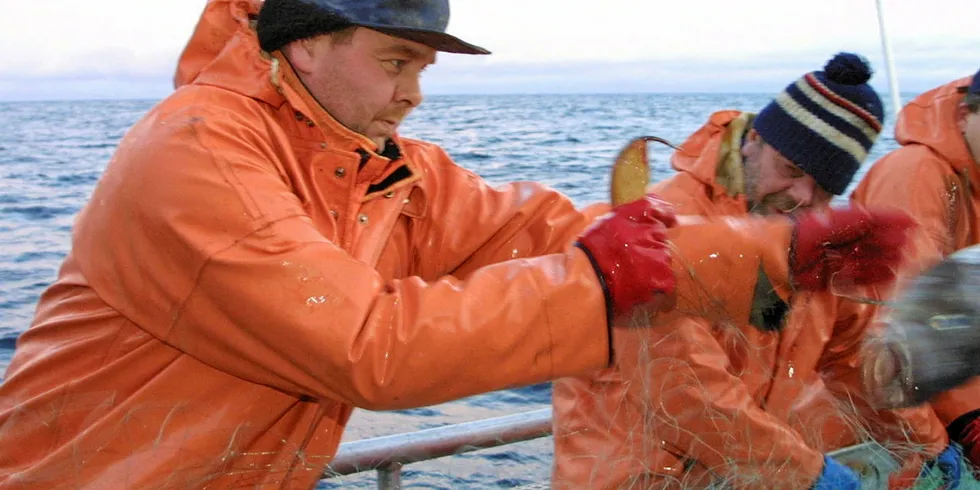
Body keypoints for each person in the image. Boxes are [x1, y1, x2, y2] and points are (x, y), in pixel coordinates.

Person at [0, 1, 917, 489]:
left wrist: (764, 256)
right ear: (306, 44)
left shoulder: (391, 169)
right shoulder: (196, 149)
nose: (415, 95)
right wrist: (602, 282)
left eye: (423, 69)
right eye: (397, 63)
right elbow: (367, 346)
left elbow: (546, 227)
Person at [551, 53, 962, 490]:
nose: (802, 195)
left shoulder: (812, 244)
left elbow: (857, 361)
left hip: (746, 476)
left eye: (825, 187)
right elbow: (682, 389)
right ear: (753, 141)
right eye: (791, 170)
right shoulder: (662, 228)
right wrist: (809, 474)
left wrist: (929, 445)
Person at [852, 67, 980, 472]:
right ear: (964, 115)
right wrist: (971, 420)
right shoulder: (915, 174)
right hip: (875, 417)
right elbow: (911, 327)